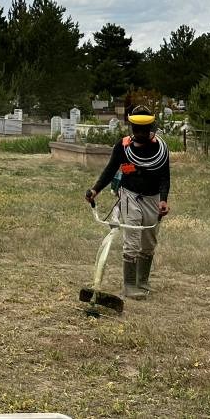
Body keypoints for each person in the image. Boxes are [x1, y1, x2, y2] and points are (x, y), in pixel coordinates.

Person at [84, 105, 170, 300]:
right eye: (136, 129)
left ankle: (142, 281)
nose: (139, 133)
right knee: (131, 239)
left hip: (153, 198)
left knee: (149, 240)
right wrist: (95, 190)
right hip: (130, 195)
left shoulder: (161, 149)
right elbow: (110, 170)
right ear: (131, 128)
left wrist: (163, 200)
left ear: (151, 128)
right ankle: (129, 285)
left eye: (144, 130)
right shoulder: (122, 147)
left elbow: (165, 177)